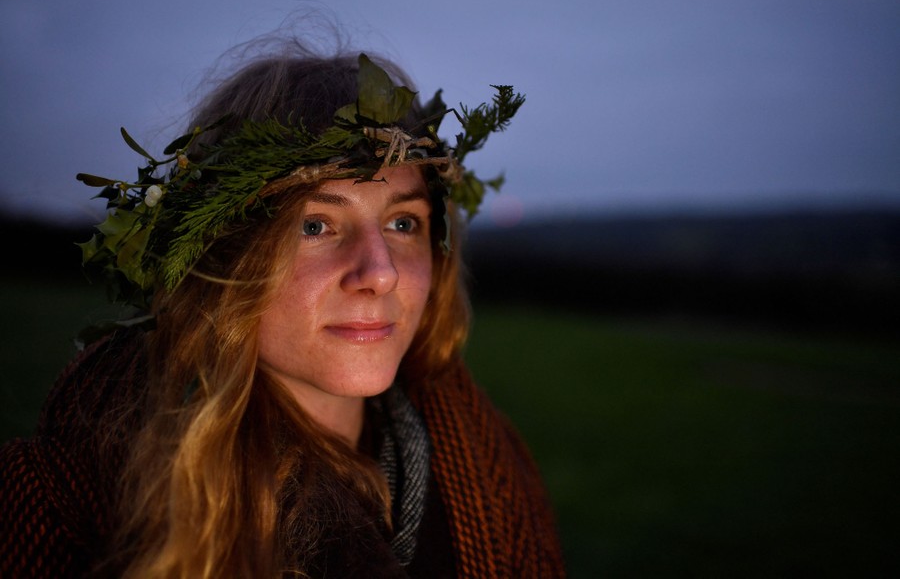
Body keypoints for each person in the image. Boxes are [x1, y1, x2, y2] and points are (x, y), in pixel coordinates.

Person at [0, 36, 564, 577]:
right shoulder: (56, 499)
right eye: (315, 225)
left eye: (402, 223)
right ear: (223, 256)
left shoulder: (487, 465)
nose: (381, 272)